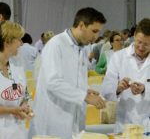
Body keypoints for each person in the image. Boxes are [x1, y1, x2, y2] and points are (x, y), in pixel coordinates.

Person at [30, 7, 106, 139]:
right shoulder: (56, 44)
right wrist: (83, 96)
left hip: (73, 119)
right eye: (94, 31)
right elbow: (52, 82)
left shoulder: (81, 48)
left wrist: (85, 90)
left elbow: (70, 79)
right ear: (81, 25)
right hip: (54, 118)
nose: (96, 37)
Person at [101, 18, 150, 133]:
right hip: (124, 125)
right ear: (134, 35)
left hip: (147, 125)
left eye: (147, 44)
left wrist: (145, 89)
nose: (141, 47)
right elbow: (106, 91)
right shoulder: (118, 57)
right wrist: (118, 88)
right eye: (139, 42)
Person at [0, 21, 33, 139]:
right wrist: (11, 110)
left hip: (18, 131)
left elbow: (25, 94)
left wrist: (24, 106)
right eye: (19, 39)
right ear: (7, 41)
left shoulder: (17, 67)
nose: (21, 43)